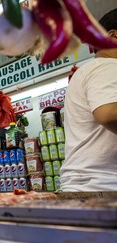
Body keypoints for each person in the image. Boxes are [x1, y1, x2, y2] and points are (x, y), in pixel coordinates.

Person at [60, 8, 117, 192]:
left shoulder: (90, 70)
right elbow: (108, 114)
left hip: (88, 185)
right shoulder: (107, 66)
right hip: (102, 186)